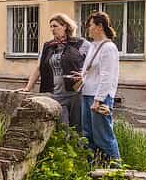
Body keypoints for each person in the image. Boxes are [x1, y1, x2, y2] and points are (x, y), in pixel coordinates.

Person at [21, 13, 91, 132]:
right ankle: (63, 149)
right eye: (51, 27)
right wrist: (28, 87)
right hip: (56, 94)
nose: (52, 29)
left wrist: (85, 76)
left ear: (65, 26)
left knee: (78, 127)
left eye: (55, 26)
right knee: (62, 127)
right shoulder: (47, 46)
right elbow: (38, 68)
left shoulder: (81, 44)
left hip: (76, 93)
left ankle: (79, 150)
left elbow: (92, 64)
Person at [74, 11, 121, 165]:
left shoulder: (108, 48)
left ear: (99, 27)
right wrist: (81, 76)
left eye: (90, 26)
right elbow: (90, 70)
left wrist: (99, 100)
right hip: (87, 94)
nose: (88, 29)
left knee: (103, 136)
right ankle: (93, 170)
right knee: (88, 136)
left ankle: (117, 170)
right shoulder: (94, 46)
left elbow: (107, 77)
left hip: (99, 98)